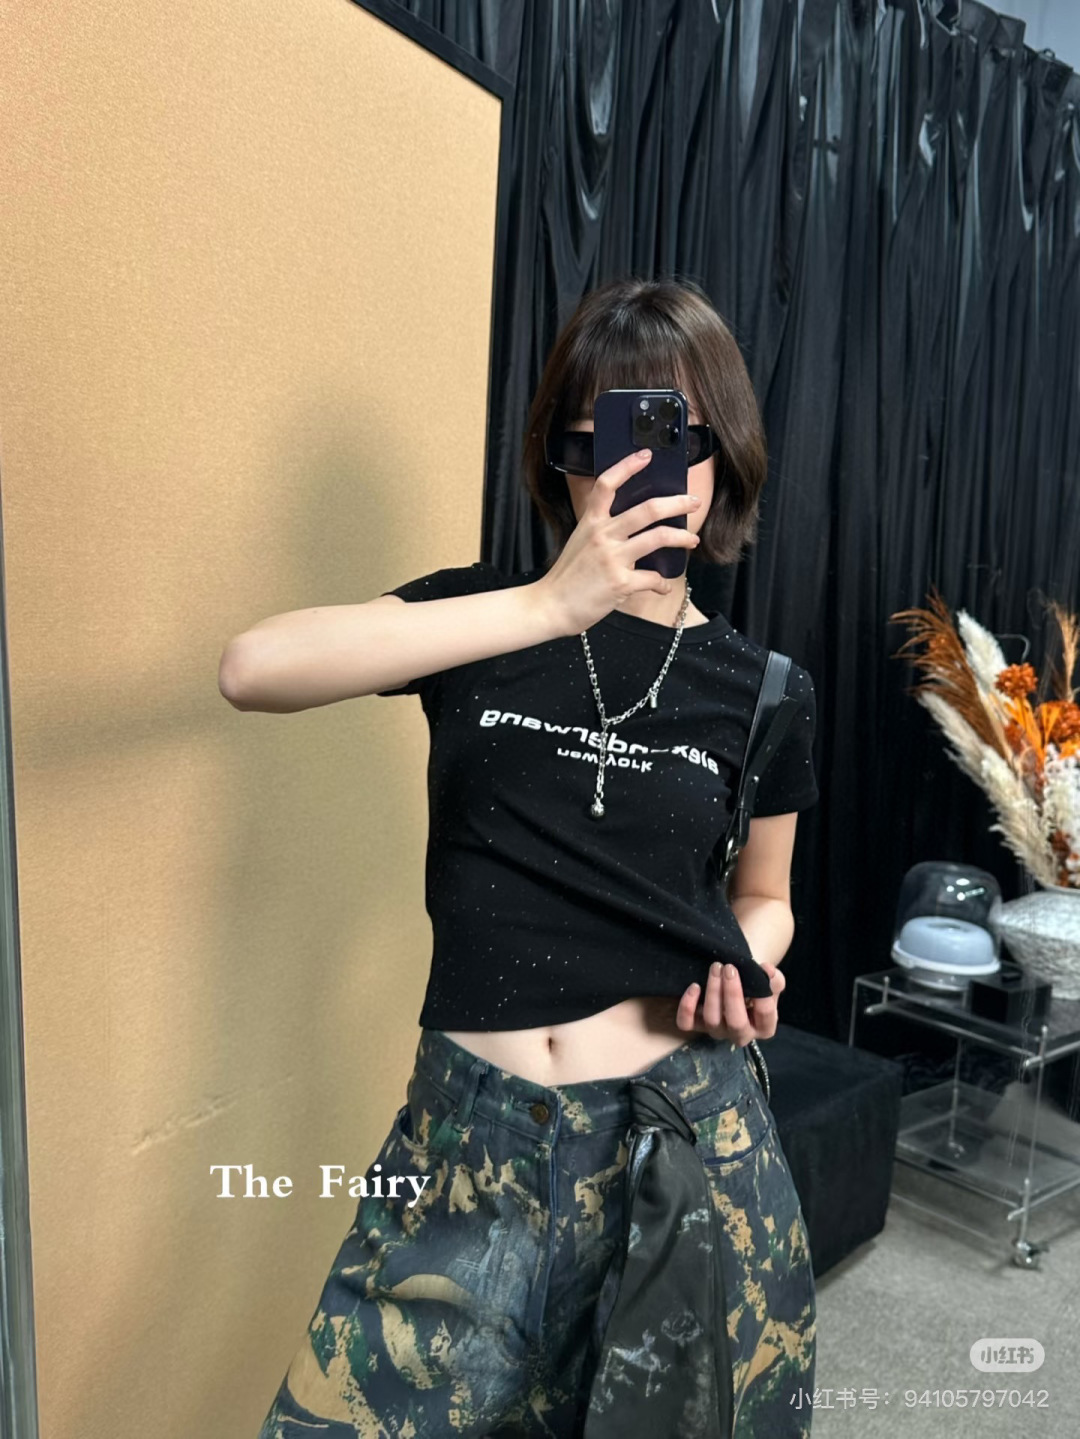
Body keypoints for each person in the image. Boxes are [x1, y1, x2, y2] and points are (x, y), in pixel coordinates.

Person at [224, 276, 819, 1438]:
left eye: (675, 437)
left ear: (724, 460)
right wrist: (549, 606)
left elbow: (767, 894)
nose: (638, 473)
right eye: (605, 440)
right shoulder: (480, 617)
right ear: (561, 460)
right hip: (464, 1145)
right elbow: (253, 668)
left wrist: (743, 960)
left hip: (679, 1142)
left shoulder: (766, 690)